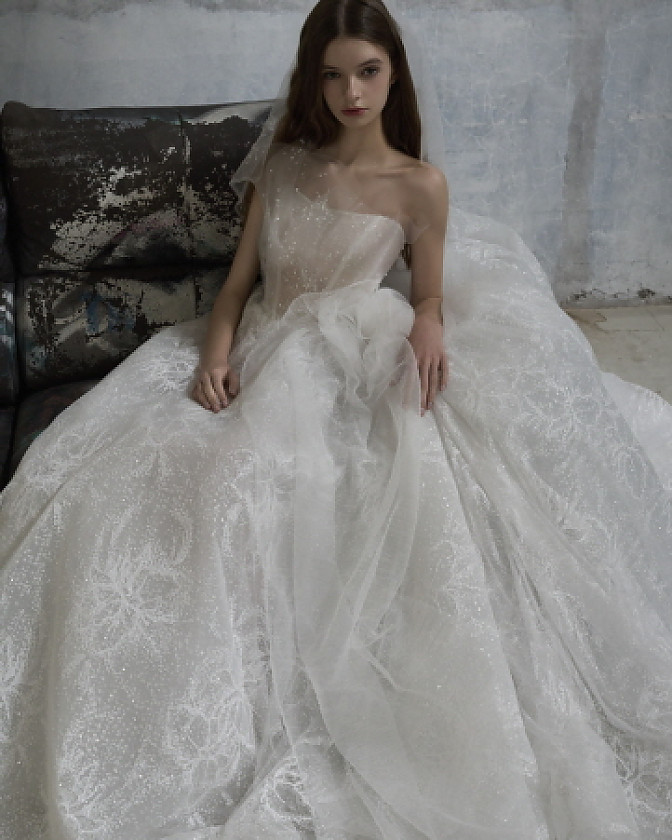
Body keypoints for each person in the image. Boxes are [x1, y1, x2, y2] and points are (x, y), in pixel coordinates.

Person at [1, 0, 671, 837]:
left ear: (393, 74)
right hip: (267, 344)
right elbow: (237, 287)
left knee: (365, 481)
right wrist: (215, 356)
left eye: (368, 71)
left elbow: (428, 291)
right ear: (313, 81)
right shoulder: (283, 167)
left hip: (355, 350)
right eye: (333, 75)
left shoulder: (420, 184)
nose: (352, 92)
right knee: (159, 474)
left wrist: (429, 319)